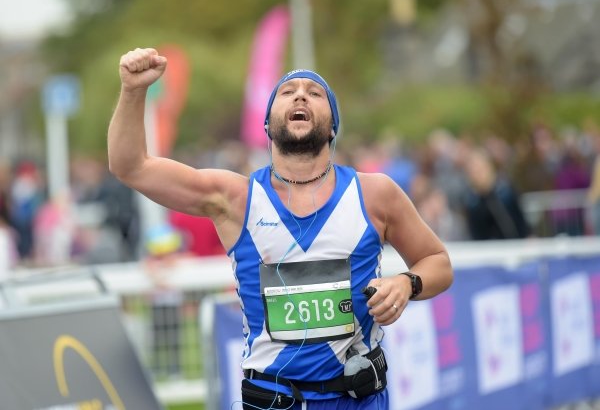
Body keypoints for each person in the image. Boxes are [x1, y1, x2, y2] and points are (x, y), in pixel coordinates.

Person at [108, 48, 453, 409]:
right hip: (273, 399)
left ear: (333, 125)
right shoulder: (235, 198)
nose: (301, 94)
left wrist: (406, 283)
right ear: (268, 124)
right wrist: (133, 91)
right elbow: (130, 166)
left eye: (315, 93)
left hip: (358, 397)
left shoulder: (375, 194)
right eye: (287, 92)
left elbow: (437, 262)